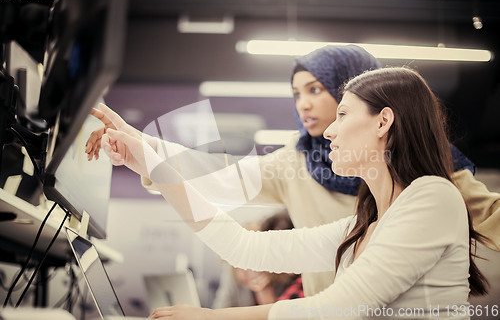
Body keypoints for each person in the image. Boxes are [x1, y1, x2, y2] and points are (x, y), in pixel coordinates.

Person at [85, 45, 500, 298]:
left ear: (363, 97)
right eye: (296, 93)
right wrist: (144, 148)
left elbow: (492, 218)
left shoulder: (431, 177)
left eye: (317, 90)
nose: (302, 104)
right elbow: (218, 176)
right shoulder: (296, 161)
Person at [212, 211, 304, 308]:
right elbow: (220, 309)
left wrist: (264, 292)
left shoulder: (288, 278)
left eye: (247, 263)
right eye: (237, 266)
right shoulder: (232, 272)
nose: (242, 272)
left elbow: (280, 314)